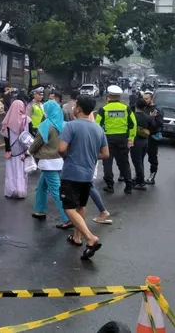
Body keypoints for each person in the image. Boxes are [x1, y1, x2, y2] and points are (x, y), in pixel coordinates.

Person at [58, 95, 110, 260]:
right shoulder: (98, 128)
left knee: (68, 208)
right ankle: (77, 237)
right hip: (87, 174)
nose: (72, 108)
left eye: (74, 105)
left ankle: (90, 237)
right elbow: (105, 154)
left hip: (71, 172)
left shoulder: (70, 126)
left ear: (78, 109)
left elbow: (61, 149)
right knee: (81, 205)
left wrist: (69, 155)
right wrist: (89, 155)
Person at [29, 100, 71, 228]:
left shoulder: (46, 125)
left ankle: (68, 217)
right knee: (42, 186)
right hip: (59, 160)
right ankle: (40, 210)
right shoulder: (64, 125)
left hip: (47, 162)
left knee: (57, 190)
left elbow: (37, 143)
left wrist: (28, 152)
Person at [95, 85, 136, 194]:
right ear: (119, 96)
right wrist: (131, 138)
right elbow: (133, 124)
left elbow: (97, 125)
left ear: (109, 96)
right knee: (124, 162)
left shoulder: (103, 109)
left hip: (107, 139)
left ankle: (110, 185)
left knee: (107, 162)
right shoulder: (126, 108)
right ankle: (128, 186)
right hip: (123, 138)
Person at [2, 100, 29, 199]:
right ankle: (21, 190)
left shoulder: (8, 120)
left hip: (12, 150)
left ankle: (11, 189)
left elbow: (6, 137)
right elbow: (28, 136)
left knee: (11, 170)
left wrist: (8, 150)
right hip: (22, 150)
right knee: (21, 170)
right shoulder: (26, 120)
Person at [131, 98, 153, 191]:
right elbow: (153, 126)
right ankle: (139, 178)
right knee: (140, 161)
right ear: (144, 107)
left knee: (137, 162)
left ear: (136, 106)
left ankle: (141, 182)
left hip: (136, 142)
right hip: (145, 142)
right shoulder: (147, 117)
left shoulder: (133, 116)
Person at [142, 91, 163, 184]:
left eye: (146, 99)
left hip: (152, 137)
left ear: (151, 99)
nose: (145, 100)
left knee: (152, 158)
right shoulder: (142, 108)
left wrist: (150, 119)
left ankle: (152, 177)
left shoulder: (157, 110)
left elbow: (158, 124)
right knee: (139, 157)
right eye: (143, 99)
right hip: (142, 136)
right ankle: (139, 176)